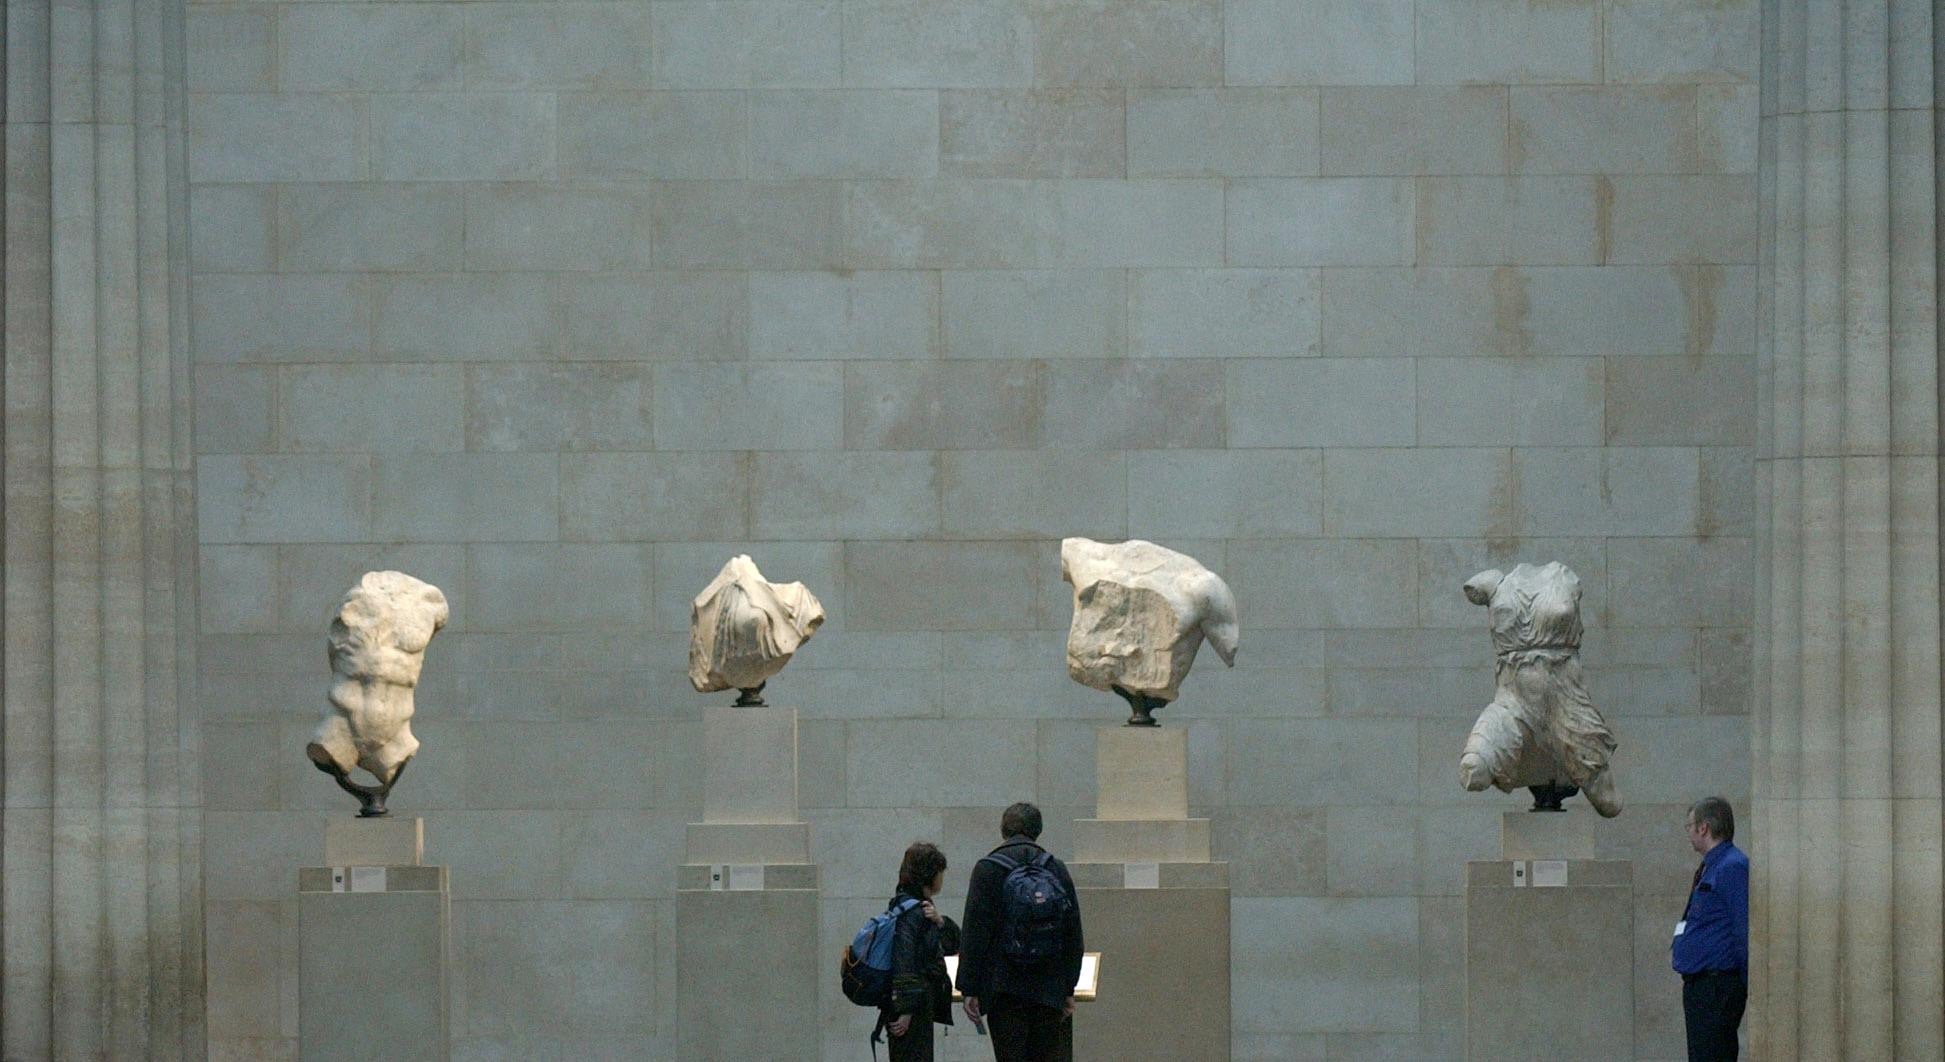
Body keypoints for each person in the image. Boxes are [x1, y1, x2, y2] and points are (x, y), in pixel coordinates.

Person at [955, 802, 1084, 1062]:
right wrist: (1068, 987)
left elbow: (974, 933)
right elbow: (1073, 933)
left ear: (1004, 829)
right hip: (1048, 989)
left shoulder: (987, 869)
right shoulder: (1055, 869)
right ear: (1038, 830)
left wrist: (969, 988)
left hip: (1004, 989)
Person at [1673, 796, 1748, 1061]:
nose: (1689, 833)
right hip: (1701, 986)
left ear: (1703, 828)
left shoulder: (1732, 866)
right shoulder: (1711, 866)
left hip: (1717, 986)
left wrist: (1746, 984)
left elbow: (1743, 929)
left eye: (1689, 826)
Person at [883, 841, 960, 1061]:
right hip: (912, 1006)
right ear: (931, 874)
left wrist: (940, 921)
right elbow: (904, 958)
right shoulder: (913, 912)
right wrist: (906, 1009)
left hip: (914, 1002)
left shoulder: (912, 907)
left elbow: (953, 944)